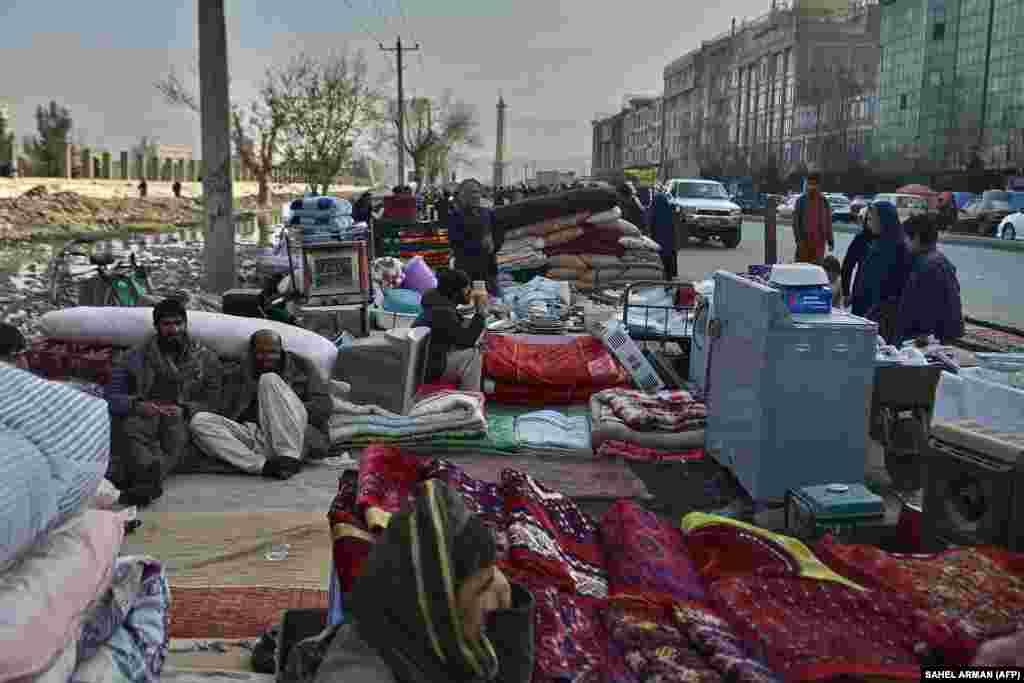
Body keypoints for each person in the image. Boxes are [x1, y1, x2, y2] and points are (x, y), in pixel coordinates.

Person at [311, 480, 535, 683]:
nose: (489, 605)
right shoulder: (359, 674)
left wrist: (510, 610)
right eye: (480, 590)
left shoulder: (422, 635)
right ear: (436, 597)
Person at [106, 298, 223, 506]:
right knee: (134, 428)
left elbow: (215, 400)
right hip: (143, 412)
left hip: (180, 416)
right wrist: (137, 405)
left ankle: (146, 480)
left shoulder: (205, 359)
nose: (174, 329)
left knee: (174, 434)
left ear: (186, 324)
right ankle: (148, 479)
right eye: (167, 324)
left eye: (178, 323)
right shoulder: (133, 357)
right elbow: (112, 396)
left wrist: (185, 409)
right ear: (157, 327)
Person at [190, 330, 333, 480]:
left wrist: (283, 409)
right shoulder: (240, 372)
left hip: (296, 435)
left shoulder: (302, 366)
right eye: (261, 353)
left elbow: (324, 406)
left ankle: (288, 458)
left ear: (281, 351)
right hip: (258, 436)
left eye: (273, 352)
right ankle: (263, 466)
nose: (268, 358)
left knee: (269, 379)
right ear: (252, 353)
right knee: (199, 421)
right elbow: (223, 410)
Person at [892, 214, 964, 346]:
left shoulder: (928, 266)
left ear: (917, 238)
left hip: (927, 339)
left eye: (906, 238)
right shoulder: (938, 261)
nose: (904, 242)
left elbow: (926, 308)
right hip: (937, 336)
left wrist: (919, 339)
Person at [413, 269, 488, 391]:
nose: (470, 292)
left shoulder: (436, 301)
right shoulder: (443, 312)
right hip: (429, 368)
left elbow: (453, 331)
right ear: (455, 292)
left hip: (424, 360)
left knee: (475, 346)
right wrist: (480, 312)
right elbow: (467, 341)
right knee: (473, 355)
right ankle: (470, 399)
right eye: (467, 289)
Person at [850, 200, 913, 340]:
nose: (868, 223)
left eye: (872, 219)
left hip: (882, 315)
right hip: (866, 309)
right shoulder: (877, 242)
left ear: (884, 220)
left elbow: (895, 285)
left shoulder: (899, 247)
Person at [448, 179, 501, 296]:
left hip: (489, 267)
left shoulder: (488, 213)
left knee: (493, 300)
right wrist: (479, 244)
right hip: (466, 269)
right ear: (463, 196)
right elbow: (455, 243)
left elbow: (498, 234)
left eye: (477, 192)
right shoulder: (456, 216)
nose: (475, 195)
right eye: (471, 192)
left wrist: (494, 245)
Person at [840, 208, 879, 308]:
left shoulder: (891, 242)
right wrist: (846, 293)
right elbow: (847, 266)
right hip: (861, 292)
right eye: (869, 219)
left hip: (882, 297)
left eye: (875, 219)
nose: (872, 223)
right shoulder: (861, 239)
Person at [793, 174, 834, 265]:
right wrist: (798, 240)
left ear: (819, 185)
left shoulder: (824, 202)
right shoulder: (801, 201)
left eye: (814, 184)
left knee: (816, 270)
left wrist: (830, 241)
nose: (812, 187)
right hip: (804, 243)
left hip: (818, 244)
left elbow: (828, 223)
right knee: (801, 269)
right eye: (809, 184)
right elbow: (796, 223)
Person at [649, 189, 677, 280]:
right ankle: (669, 278)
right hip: (668, 241)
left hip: (657, 241)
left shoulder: (653, 212)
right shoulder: (669, 211)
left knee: (658, 260)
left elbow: (650, 226)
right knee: (668, 259)